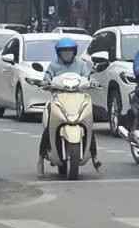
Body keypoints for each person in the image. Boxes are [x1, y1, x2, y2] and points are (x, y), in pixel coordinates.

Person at [37, 38, 100, 176]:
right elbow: (46, 78)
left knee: (88, 124)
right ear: (59, 53)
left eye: (69, 51)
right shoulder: (53, 66)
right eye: (64, 52)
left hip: (78, 97)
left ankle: (94, 156)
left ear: (74, 52)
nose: (67, 54)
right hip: (59, 98)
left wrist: (93, 82)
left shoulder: (81, 65)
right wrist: (45, 83)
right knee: (49, 126)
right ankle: (41, 158)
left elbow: (89, 77)